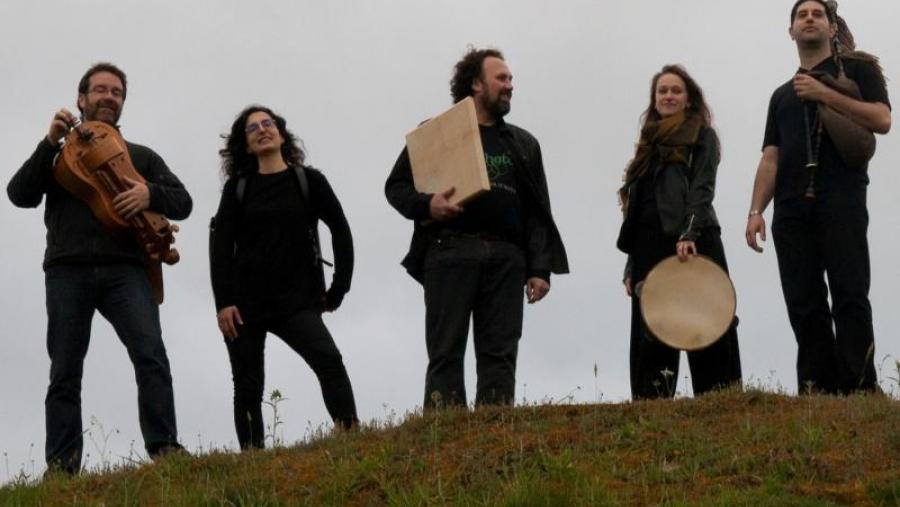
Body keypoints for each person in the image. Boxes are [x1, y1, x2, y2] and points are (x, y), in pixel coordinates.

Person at [7, 62, 191, 474]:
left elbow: (184, 202)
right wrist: (48, 142)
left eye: (117, 93)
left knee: (151, 356)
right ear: (81, 98)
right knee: (65, 372)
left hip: (126, 271)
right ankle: (62, 468)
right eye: (100, 90)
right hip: (66, 271)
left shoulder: (140, 156)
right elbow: (19, 194)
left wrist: (149, 193)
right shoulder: (57, 159)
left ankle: (165, 448)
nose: (109, 98)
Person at [385, 47, 569, 409]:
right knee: (445, 353)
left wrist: (539, 269)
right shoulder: (435, 133)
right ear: (475, 84)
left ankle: (496, 437)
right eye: (501, 78)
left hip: (507, 257)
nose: (510, 85)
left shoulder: (523, 143)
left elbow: (536, 211)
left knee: (500, 355)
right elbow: (396, 188)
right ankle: (443, 437)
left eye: (511, 79)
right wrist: (429, 205)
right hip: (450, 250)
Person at [745, 0, 891, 394]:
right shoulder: (781, 96)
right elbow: (770, 157)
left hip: (841, 198)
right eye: (801, 15)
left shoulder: (858, 71)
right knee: (803, 301)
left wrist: (824, 95)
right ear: (791, 31)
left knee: (849, 292)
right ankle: (818, 390)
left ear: (831, 26)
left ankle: (861, 388)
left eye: (817, 14)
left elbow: (882, 119)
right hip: (790, 208)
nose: (809, 19)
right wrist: (756, 210)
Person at [210, 105, 358, 449]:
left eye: (268, 124)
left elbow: (341, 232)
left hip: (297, 300)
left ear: (280, 133)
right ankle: (253, 458)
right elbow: (220, 249)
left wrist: (339, 289)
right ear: (245, 145)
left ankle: (351, 436)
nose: (262, 130)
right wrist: (224, 303)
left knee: (329, 360)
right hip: (245, 305)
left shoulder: (309, 181)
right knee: (247, 386)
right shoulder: (237, 188)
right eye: (253, 128)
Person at [616, 65, 742, 400]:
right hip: (648, 245)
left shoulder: (702, 135)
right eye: (662, 91)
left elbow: (702, 188)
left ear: (688, 99)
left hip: (694, 238)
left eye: (675, 90)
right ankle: (651, 405)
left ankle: (719, 402)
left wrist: (689, 233)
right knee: (651, 332)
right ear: (654, 99)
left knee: (707, 322)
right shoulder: (648, 143)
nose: (668, 96)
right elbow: (637, 208)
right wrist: (631, 263)